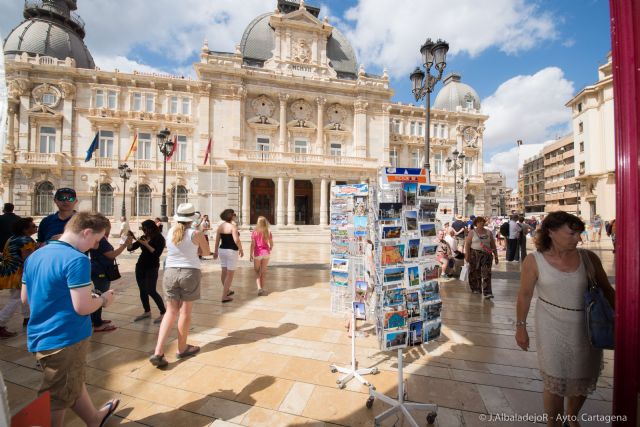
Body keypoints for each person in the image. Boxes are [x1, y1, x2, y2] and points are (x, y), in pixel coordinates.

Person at [515, 211, 615, 426]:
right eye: (572, 233)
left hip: (587, 327)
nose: (578, 238)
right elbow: (524, 295)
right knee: (555, 380)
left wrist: (621, 320)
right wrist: (520, 327)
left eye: (579, 233)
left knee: (584, 373)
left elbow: (607, 290)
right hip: (551, 326)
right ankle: (554, 423)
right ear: (551, 232)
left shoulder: (589, 258)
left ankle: (572, 415)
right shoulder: (534, 260)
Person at [21, 212, 119, 427]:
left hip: (40, 335)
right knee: (56, 398)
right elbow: (83, 307)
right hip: (66, 337)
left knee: (70, 382)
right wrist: (103, 299)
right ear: (86, 232)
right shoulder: (77, 260)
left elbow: (25, 299)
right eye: (96, 240)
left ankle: (94, 419)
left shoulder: (35, 255)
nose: (95, 246)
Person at [149, 203, 210, 368]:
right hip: (189, 273)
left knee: (170, 311)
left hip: (170, 272)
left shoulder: (170, 231)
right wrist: (195, 250)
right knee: (185, 313)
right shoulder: (196, 233)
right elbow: (206, 253)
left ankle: (158, 351)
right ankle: (182, 348)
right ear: (192, 219)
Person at [89, 222, 133, 332]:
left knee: (98, 294)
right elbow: (112, 254)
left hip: (100, 270)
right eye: (109, 225)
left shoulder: (101, 238)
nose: (110, 227)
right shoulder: (102, 240)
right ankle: (97, 324)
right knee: (100, 296)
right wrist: (125, 245)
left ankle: (97, 320)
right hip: (100, 272)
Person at [0, 217, 37, 338]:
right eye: (32, 226)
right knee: (16, 299)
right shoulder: (26, 240)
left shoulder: (12, 238)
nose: (35, 227)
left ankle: (28, 318)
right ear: (25, 229)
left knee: (23, 296)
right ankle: (1, 323)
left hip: (10, 272)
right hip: (20, 273)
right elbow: (28, 259)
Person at [127, 220, 166, 323]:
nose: (144, 230)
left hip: (152, 267)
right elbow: (130, 248)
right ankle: (147, 311)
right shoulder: (144, 237)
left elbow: (156, 253)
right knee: (142, 290)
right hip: (140, 266)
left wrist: (146, 244)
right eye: (142, 228)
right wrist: (129, 240)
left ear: (151, 228)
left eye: (145, 228)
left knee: (151, 290)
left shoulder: (159, 238)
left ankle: (163, 312)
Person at [213, 209, 244, 302]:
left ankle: (227, 290)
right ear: (231, 216)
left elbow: (217, 240)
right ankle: (224, 296)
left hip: (222, 250)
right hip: (231, 251)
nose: (235, 216)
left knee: (224, 271)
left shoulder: (220, 227)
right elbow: (236, 240)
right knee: (230, 274)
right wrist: (241, 249)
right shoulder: (232, 227)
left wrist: (215, 251)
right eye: (234, 214)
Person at [464, 217, 498, 298]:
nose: (481, 223)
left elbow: (493, 245)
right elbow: (467, 244)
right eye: (479, 222)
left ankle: (487, 292)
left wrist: (496, 256)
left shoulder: (489, 232)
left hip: (487, 255)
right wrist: (467, 255)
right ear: (476, 223)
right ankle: (476, 288)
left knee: (487, 273)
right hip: (474, 254)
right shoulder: (472, 232)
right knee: (475, 272)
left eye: (482, 221)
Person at [250, 216, 273, 295]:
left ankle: (259, 288)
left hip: (258, 253)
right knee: (263, 272)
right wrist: (270, 247)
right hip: (266, 253)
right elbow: (271, 242)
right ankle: (262, 289)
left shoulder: (255, 232)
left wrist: (250, 254)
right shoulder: (268, 231)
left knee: (257, 271)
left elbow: (253, 244)